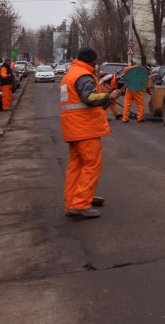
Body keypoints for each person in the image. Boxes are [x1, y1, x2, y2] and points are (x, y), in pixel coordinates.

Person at [60, 46, 121, 219]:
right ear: (92, 60)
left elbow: (83, 101)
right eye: (95, 61)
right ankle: (80, 204)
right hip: (85, 129)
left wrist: (107, 98)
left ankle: (72, 201)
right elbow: (89, 98)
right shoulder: (84, 75)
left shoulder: (70, 74)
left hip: (73, 128)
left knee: (76, 166)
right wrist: (108, 96)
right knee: (91, 164)